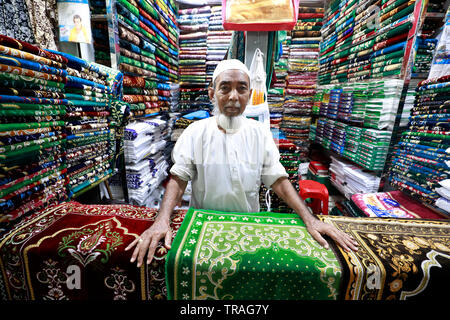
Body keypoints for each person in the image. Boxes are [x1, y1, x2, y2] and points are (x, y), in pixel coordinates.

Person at [126, 59, 358, 267]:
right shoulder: (195, 132)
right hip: (204, 226)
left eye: (241, 89)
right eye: (225, 88)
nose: (234, 96)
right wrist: (161, 220)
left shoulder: (260, 133)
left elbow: (278, 180)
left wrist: (309, 218)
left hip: (249, 226)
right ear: (211, 93)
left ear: (249, 94)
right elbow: (178, 180)